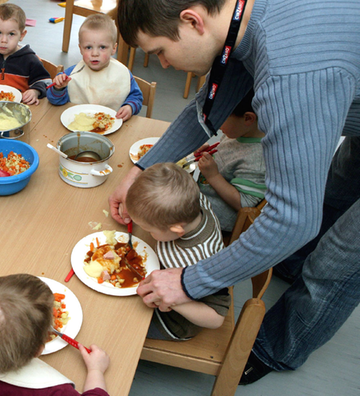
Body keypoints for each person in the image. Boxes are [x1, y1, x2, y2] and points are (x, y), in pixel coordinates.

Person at [110, 0, 360, 384]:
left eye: (159, 51)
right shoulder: (239, 22)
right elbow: (206, 110)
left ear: (192, 20)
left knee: (339, 260)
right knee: (335, 191)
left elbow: (293, 219)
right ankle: (287, 264)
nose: (161, 63)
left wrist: (189, 282)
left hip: (310, 72)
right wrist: (138, 171)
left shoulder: (289, 73)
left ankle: (272, 347)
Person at [127, 163, 229, 340]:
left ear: (176, 230)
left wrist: (172, 301)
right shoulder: (194, 201)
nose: (146, 231)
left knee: (115, 322)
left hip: (171, 321)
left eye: (149, 229)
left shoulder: (201, 259)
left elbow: (216, 318)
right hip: (160, 270)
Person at [46, 14, 143, 121]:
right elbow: (54, 100)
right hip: (78, 125)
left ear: (114, 48)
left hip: (111, 124)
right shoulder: (71, 74)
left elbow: (136, 97)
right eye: (88, 47)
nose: (95, 53)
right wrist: (58, 88)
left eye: (102, 47)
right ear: (80, 49)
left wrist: (130, 107)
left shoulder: (122, 73)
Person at [197, 89, 265, 232]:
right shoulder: (238, 131)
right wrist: (209, 155)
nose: (216, 123)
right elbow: (227, 156)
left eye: (221, 118)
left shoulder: (258, 160)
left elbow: (245, 205)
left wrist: (213, 175)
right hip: (203, 193)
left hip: (216, 218)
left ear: (248, 118)